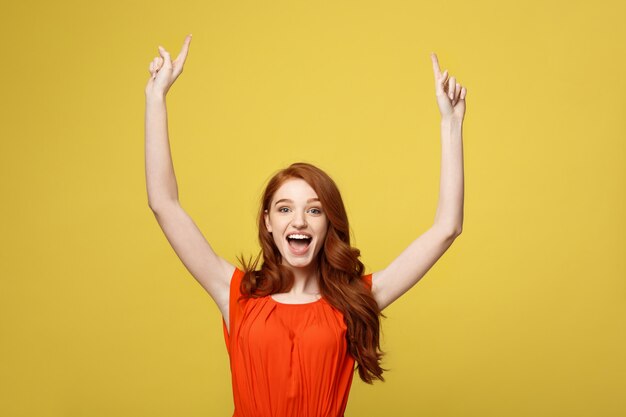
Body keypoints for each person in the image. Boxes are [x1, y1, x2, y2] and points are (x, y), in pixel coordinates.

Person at [145, 33, 466, 417]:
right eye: (284, 209)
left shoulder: (355, 300)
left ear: (330, 222)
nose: (299, 220)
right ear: (267, 221)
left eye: (314, 210)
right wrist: (156, 99)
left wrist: (452, 124)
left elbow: (447, 227)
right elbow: (164, 205)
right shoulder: (236, 295)